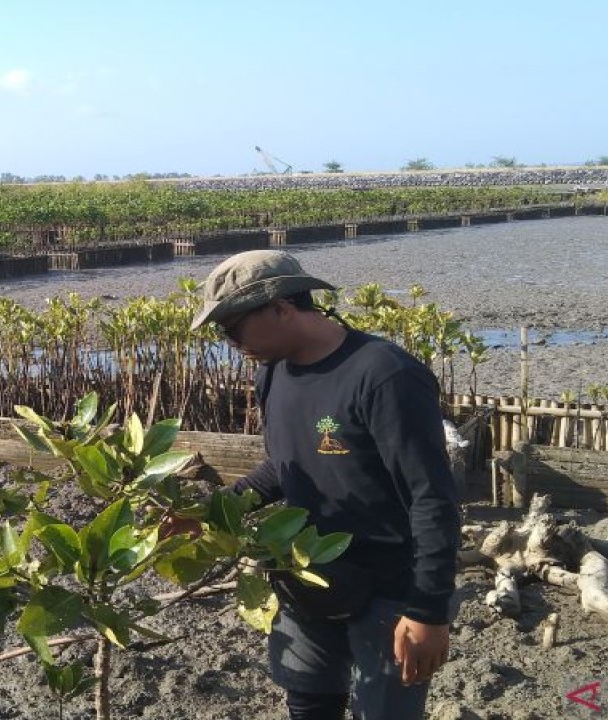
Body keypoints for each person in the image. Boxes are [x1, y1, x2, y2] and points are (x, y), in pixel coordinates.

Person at [188, 249, 460, 720]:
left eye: (233, 326)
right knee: (309, 702)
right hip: (306, 576)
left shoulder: (384, 375)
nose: (229, 340)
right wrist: (211, 513)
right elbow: (283, 467)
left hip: (389, 589)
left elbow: (432, 499)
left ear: (281, 307)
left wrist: (428, 611)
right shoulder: (271, 372)